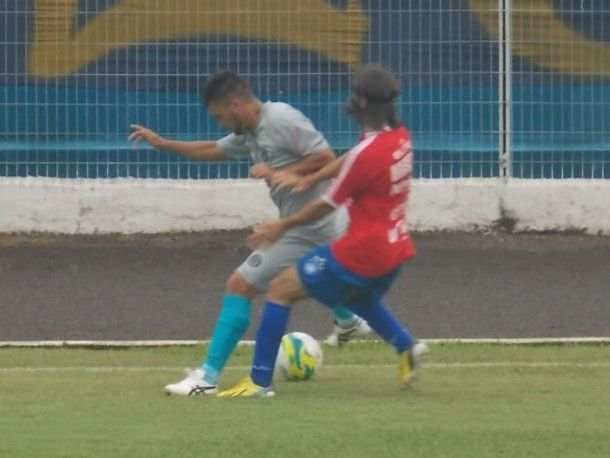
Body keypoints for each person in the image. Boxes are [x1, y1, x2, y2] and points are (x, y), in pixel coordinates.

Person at [128, 70, 371, 396]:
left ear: (236, 105)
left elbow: (326, 157)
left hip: (312, 227)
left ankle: (207, 379)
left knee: (240, 285)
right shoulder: (250, 133)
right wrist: (162, 143)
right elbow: (212, 149)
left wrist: (280, 172)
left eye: (220, 116)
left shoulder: (280, 118)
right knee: (307, 279)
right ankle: (350, 321)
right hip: (311, 224)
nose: (220, 124)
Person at [217, 64, 428, 398]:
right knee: (355, 297)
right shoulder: (398, 137)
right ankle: (406, 346)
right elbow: (348, 160)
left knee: (280, 289)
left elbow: (326, 204)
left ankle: (259, 383)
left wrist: (282, 225)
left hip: (360, 251)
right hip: (396, 248)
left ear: (360, 101)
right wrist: (308, 178)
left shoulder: (366, 154)